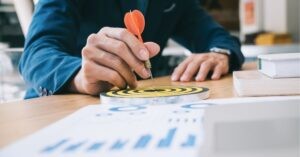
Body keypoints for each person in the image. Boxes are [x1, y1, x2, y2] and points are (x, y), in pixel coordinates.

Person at [19, 0, 244, 99]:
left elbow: (217, 37)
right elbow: (35, 55)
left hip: (136, 107)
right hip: (59, 110)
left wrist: (219, 54)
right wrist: (80, 77)